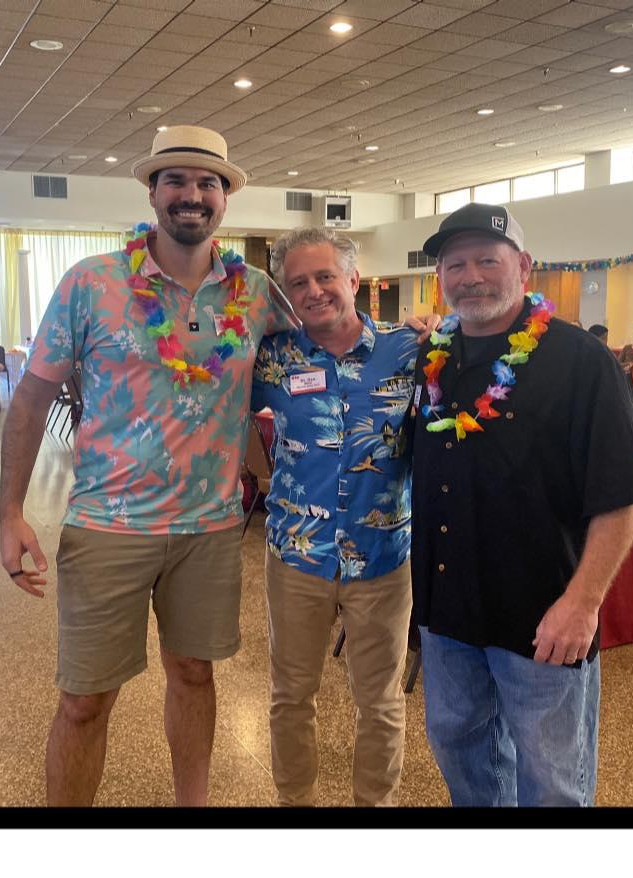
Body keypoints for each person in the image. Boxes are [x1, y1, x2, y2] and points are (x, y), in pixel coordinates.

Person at [0, 125, 301, 807]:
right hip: (108, 525)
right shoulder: (92, 282)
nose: (192, 194)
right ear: (153, 193)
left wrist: (407, 345)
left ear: (224, 198)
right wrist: (10, 511)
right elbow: (32, 397)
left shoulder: (255, 292)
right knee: (83, 701)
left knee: (194, 673)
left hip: (211, 527)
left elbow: (323, 350)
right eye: (176, 181)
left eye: (207, 183)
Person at [410, 203, 633, 807]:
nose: (470, 277)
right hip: (448, 610)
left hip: (542, 614)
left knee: (552, 780)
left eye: (486, 261)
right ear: (440, 278)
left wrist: (583, 604)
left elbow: (621, 494)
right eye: (455, 265)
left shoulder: (581, 361)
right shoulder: (432, 357)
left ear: (523, 267)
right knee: (460, 753)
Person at [251, 228, 417, 807]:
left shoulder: (409, 350)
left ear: (353, 280)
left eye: (325, 277)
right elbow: (211, 407)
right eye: (298, 282)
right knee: (291, 696)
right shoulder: (272, 357)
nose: (314, 291)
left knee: (381, 700)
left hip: (382, 559)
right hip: (297, 556)